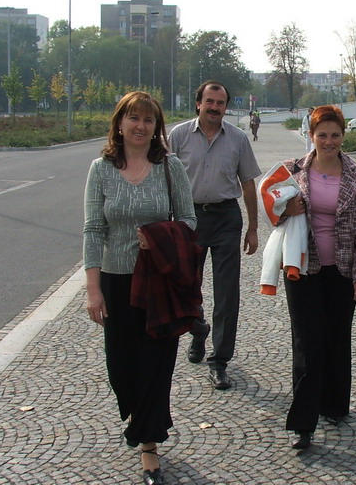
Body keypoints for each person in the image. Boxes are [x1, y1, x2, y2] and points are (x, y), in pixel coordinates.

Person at [84, 91, 197, 485]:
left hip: (157, 283)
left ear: (156, 127)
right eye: (133, 118)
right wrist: (93, 289)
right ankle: (138, 416)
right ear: (119, 123)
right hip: (115, 281)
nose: (140, 126)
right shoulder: (100, 169)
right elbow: (93, 229)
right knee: (121, 367)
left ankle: (149, 446)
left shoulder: (169, 166)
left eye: (148, 120)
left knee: (155, 365)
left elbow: (189, 220)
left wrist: (160, 237)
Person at [275, 104, 356, 450]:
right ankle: (303, 422)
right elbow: (271, 209)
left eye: (335, 135)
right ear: (311, 136)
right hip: (302, 268)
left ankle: (334, 404)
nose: (329, 141)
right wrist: (284, 209)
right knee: (306, 341)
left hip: (343, 270)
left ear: (343, 136)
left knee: (336, 336)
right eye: (322, 135)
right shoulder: (292, 170)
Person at [167, 81, 261, 390]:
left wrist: (253, 227)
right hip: (188, 219)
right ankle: (197, 329)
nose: (214, 107)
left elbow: (248, 183)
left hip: (225, 219)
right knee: (185, 288)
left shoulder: (237, 138)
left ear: (226, 107)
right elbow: (163, 179)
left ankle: (219, 361)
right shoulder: (179, 136)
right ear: (198, 103)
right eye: (209, 101)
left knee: (226, 293)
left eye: (220, 103)